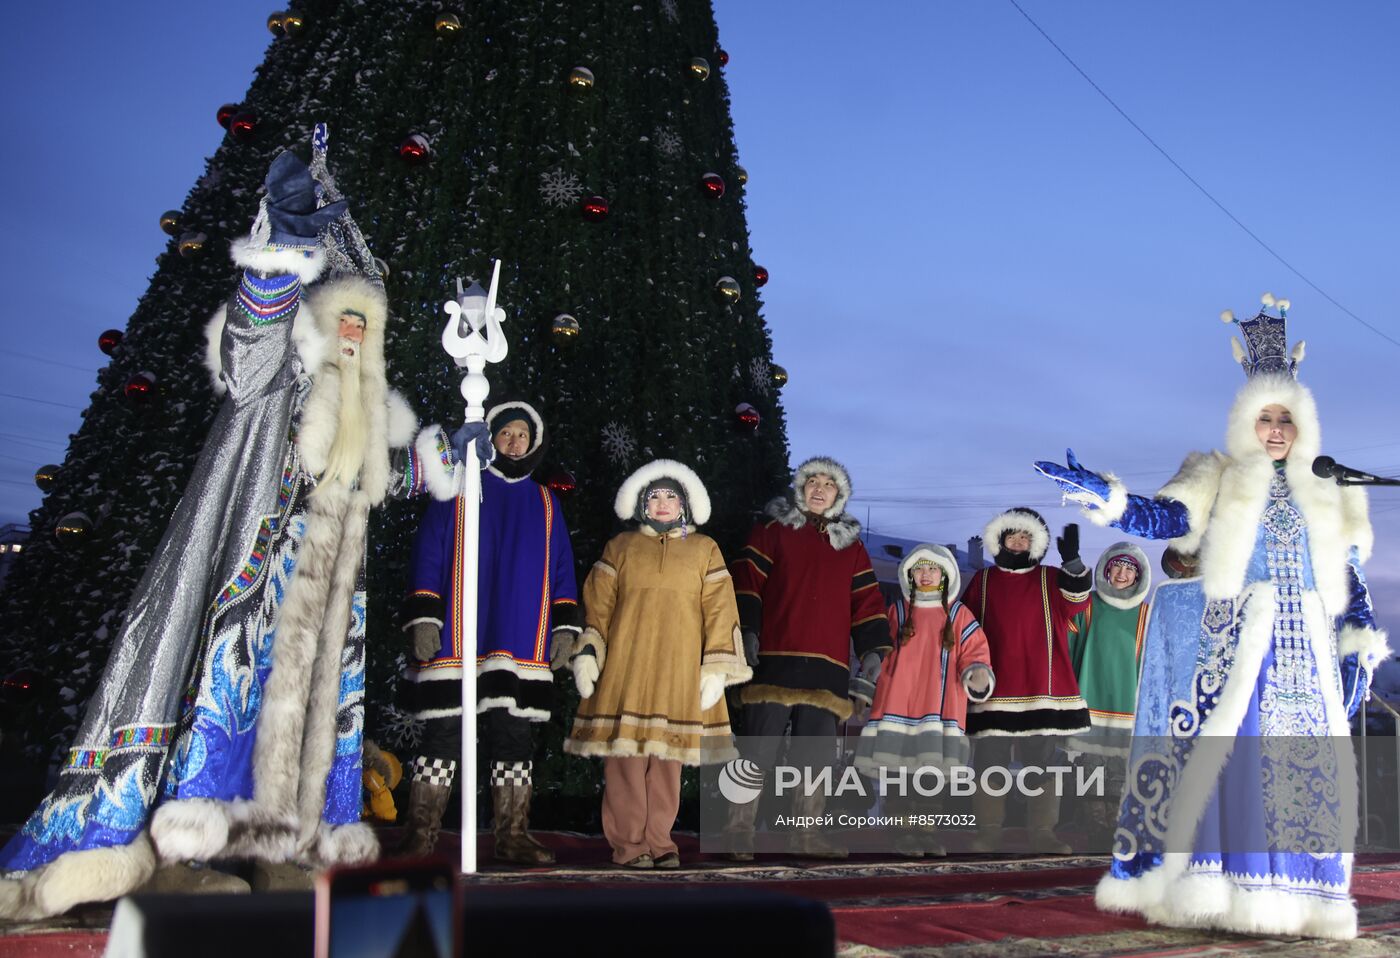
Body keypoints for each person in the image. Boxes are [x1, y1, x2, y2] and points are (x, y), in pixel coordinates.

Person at [0, 152, 423, 918]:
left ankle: (283, 846)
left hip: (322, 600)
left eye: (368, 323)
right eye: (343, 319)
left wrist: (452, 461)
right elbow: (251, 339)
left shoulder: (366, 420)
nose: (355, 335)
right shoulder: (274, 379)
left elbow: (390, 479)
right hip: (247, 581)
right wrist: (282, 255)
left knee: (299, 719)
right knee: (220, 701)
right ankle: (180, 850)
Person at [1035, 297, 1389, 939]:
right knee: (1229, 769)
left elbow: (1352, 583)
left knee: (1300, 775)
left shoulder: (1334, 490)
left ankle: (1300, 901)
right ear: (1245, 421)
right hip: (1237, 644)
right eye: (1264, 417)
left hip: (1304, 653)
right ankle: (1217, 894)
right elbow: (1166, 518)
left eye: (1286, 418)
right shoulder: (1215, 473)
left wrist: (1359, 644)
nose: (1275, 429)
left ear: (1303, 424)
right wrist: (1110, 501)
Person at [398, 400, 581, 864]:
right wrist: (425, 614)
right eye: (506, 433)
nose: (515, 441)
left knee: (514, 738)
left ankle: (512, 834)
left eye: (523, 434)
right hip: (460, 635)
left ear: (533, 443)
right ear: (493, 438)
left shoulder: (544, 500)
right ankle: (421, 833)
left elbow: (562, 568)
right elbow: (431, 551)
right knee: (441, 734)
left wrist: (564, 626)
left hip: (520, 638)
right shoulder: (461, 485)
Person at [565, 460, 750, 868]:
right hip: (627, 669)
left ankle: (661, 843)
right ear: (642, 504)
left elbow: (720, 609)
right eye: (655, 497)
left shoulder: (705, 550)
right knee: (626, 761)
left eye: (671, 496)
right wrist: (590, 651)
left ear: (684, 503)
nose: (663, 504)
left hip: (679, 672)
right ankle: (630, 846)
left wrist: (717, 668)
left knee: (668, 762)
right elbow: (598, 605)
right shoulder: (621, 547)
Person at [726, 456, 890, 859]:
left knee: (814, 759)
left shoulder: (852, 549)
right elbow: (746, 583)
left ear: (839, 495)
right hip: (773, 662)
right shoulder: (772, 531)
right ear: (801, 488)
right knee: (756, 751)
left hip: (828, 671)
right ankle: (737, 832)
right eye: (813, 481)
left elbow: (868, 604)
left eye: (828, 485)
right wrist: (747, 632)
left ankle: (806, 835)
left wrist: (871, 654)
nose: (819, 489)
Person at [960, 508, 1091, 853]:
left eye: (1025, 536)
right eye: (1013, 535)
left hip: (1040, 688)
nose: (1018, 542)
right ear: (1000, 540)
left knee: (1043, 761)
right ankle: (988, 833)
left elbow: (1079, 602)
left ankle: (1043, 833)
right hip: (995, 690)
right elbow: (965, 627)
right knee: (990, 761)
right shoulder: (983, 580)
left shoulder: (1050, 577)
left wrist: (1074, 564)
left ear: (1036, 543)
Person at [851, 545, 994, 857]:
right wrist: (864, 687)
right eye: (920, 569)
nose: (926, 574)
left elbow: (976, 652)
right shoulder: (897, 612)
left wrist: (978, 672)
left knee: (930, 776)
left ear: (945, 576)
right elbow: (877, 655)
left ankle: (926, 833)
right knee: (900, 773)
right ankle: (902, 834)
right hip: (896, 706)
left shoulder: (958, 614)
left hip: (939, 711)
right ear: (909, 575)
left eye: (933, 569)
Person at [1066, 543, 1152, 836]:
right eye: (1117, 566)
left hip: (1128, 706)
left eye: (1130, 569)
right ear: (1106, 569)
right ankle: (1089, 821)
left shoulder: (1146, 615)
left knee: (1118, 767)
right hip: (1088, 701)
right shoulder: (1086, 606)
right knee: (1089, 765)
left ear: (1139, 576)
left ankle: (1115, 823)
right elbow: (1066, 647)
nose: (1122, 573)